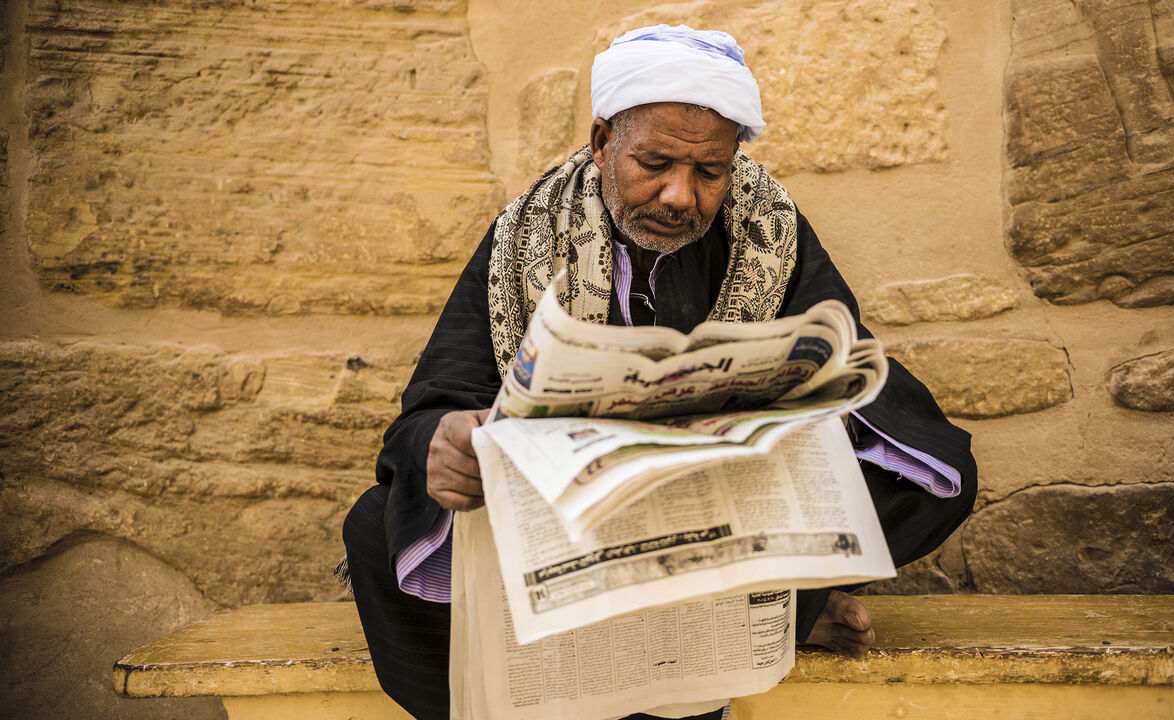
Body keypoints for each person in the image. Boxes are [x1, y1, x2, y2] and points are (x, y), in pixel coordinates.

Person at [342, 24, 977, 720]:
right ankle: (748, 624)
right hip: (578, 518)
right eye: (655, 163)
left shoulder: (768, 230)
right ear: (602, 140)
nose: (679, 195)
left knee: (933, 474)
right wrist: (443, 441)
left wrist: (786, 417)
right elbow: (435, 404)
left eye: (709, 173)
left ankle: (751, 621)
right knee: (378, 530)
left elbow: (853, 374)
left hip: (719, 511)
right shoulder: (526, 233)